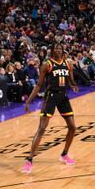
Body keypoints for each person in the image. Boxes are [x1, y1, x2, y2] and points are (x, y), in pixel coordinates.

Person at [22, 44, 79, 173]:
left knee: (73, 127)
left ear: (62, 51)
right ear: (52, 51)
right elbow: (38, 85)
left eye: (60, 48)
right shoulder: (47, 64)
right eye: (56, 48)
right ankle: (29, 160)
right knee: (42, 128)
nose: (58, 50)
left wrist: (74, 85)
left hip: (63, 97)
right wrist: (28, 102)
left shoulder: (68, 64)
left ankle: (64, 154)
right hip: (50, 97)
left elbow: (71, 81)